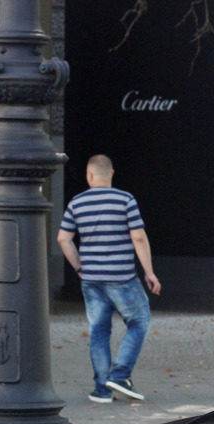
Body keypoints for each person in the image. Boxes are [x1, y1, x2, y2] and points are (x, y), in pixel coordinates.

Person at [57, 154, 161, 403]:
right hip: (121, 277)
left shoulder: (77, 202)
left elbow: (63, 238)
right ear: (111, 173)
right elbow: (138, 237)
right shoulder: (125, 200)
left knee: (99, 330)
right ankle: (120, 374)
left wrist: (79, 267)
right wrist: (149, 272)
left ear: (89, 175)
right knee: (139, 320)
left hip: (91, 279)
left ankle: (101, 389)